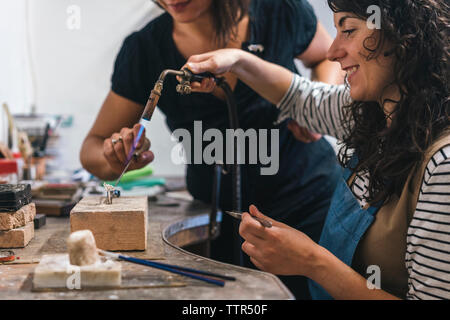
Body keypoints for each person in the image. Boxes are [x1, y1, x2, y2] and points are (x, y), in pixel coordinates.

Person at [184, 0, 450, 299]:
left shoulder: (443, 165)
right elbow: (300, 97)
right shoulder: (372, 112)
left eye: (348, 30)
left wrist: (311, 261)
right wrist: (236, 60)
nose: (332, 52)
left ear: (405, 36)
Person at [80, 0, 344, 299]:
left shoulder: (279, 9)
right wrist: (115, 155)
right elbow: (91, 148)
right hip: (221, 223)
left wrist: (314, 107)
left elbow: (327, 56)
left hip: (310, 206)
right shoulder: (145, 49)